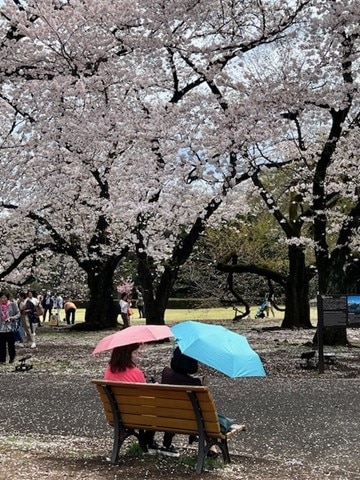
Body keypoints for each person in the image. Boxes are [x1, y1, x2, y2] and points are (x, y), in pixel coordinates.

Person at [104, 343, 158, 454]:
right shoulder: (136, 373)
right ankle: (149, 441)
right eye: (134, 352)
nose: (137, 355)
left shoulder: (109, 370)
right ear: (126, 355)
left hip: (116, 416)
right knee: (154, 408)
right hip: (137, 416)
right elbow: (146, 397)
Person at [0, 291, 21, 364]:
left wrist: (12, 318)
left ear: (7, 298)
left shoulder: (12, 305)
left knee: (11, 345)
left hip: (10, 327)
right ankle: (2, 360)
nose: (3, 300)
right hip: (1, 329)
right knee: (1, 345)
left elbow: (18, 314)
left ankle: (12, 358)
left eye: (4, 298)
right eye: (1, 298)